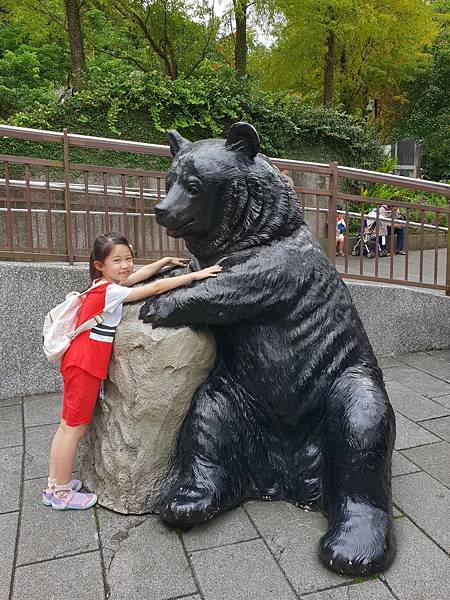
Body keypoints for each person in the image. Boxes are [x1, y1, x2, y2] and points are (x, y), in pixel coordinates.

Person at [45, 232, 221, 510]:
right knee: (73, 429)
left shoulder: (103, 286)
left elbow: (138, 278)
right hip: (85, 364)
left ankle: (55, 484)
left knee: (68, 426)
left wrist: (163, 261)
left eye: (129, 258)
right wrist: (194, 277)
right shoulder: (111, 292)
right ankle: (61, 493)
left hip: (79, 361)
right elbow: (154, 289)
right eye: (117, 260)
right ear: (100, 264)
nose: (126, 265)